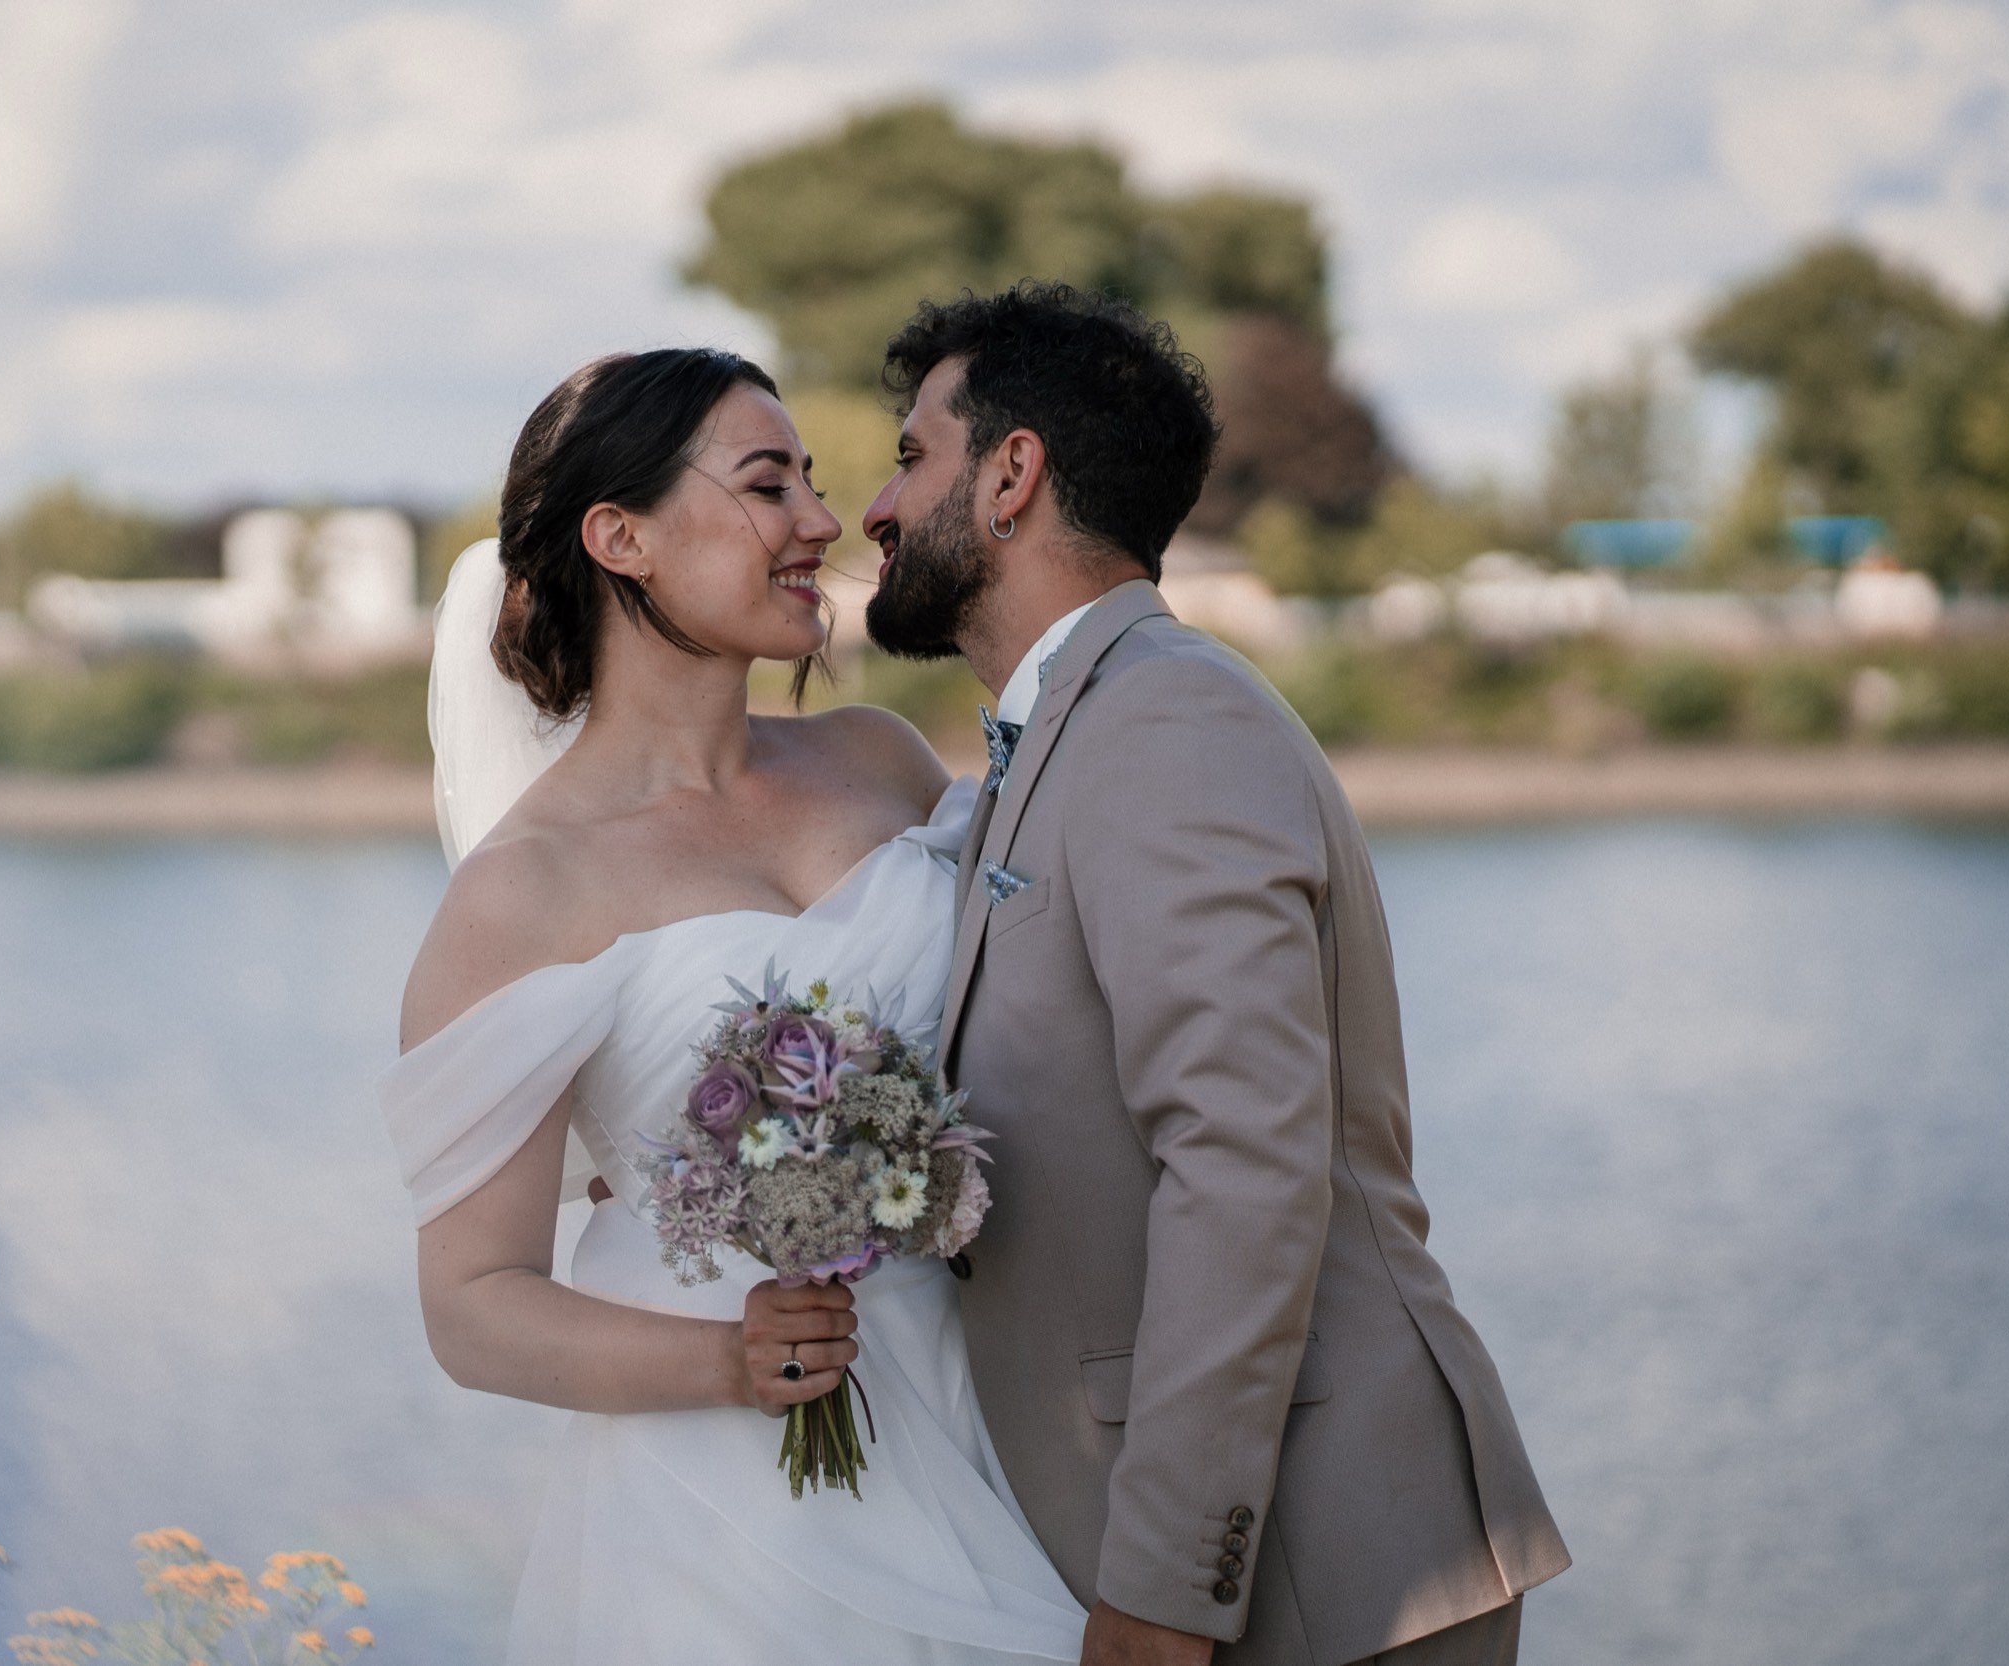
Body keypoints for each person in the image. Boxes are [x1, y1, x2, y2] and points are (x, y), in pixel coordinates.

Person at [860, 282, 1572, 1666]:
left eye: (910, 456)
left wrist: (1165, 1595)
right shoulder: (1076, 729)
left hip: (1320, 1577)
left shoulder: (1166, 720)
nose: (878, 510)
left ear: (1012, 476)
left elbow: (1245, 1163)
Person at [381, 346, 1089, 1663]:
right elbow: (472, 1303)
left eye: (816, 484)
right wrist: (728, 1363)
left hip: (993, 1413)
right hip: (734, 1519)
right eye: (771, 484)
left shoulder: (879, 760)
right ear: (622, 536)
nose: (824, 521)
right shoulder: (526, 893)